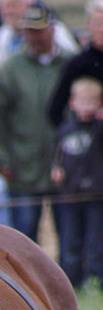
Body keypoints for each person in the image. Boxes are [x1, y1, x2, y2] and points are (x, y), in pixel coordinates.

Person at [0, 4, 71, 244]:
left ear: (52, 29)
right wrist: (2, 159)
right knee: (24, 240)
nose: (35, 36)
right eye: (29, 31)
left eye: (40, 30)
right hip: (22, 167)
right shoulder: (10, 69)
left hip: (65, 168)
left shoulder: (70, 64)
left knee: (70, 238)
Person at [50, 77, 103, 288]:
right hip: (69, 195)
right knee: (70, 241)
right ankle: (71, 282)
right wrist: (56, 170)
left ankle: (95, 281)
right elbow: (57, 155)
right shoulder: (65, 129)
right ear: (73, 103)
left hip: (96, 195)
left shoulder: (99, 130)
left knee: (95, 242)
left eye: (92, 102)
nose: (87, 107)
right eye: (83, 102)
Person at [49, 0, 103, 127]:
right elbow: (54, 110)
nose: (102, 29)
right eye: (98, 24)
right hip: (89, 140)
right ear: (88, 27)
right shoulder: (78, 64)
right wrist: (71, 133)